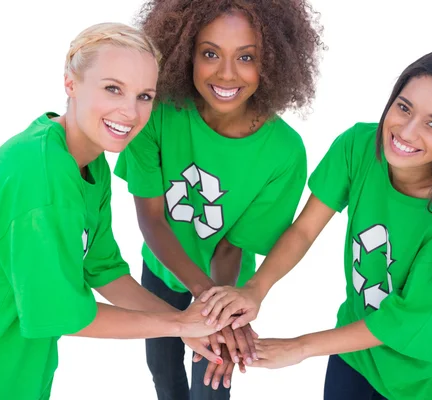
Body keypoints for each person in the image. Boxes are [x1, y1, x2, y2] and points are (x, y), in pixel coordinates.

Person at [0, 22, 230, 400]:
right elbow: (63, 314)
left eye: (145, 96)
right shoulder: (39, 181)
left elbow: (104, 270)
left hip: (15, 377)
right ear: (70, 84)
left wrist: (187, 327)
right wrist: (179, 323)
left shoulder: (87, 162)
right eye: (113, 88)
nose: (129, 111)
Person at [200, 48, 432, 399]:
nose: (406, 130)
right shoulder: (358, 147)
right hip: (353, 351)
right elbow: (304, 229)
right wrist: (254, 289)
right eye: (403, 107)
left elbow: (401, 321)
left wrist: (300, 347)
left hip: (417, 382)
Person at [113, 0, 323, 398]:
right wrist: (203, 299)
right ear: (184, 52)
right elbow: (152, 220)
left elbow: (232, 245)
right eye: (210, 53)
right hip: (161, 268)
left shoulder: (283, 152)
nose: (227, 73)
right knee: (161, 368)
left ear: (274, 62)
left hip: (225, 284)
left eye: (247, 57)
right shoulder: (154, 113)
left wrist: (219, 314)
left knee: (211, 383)